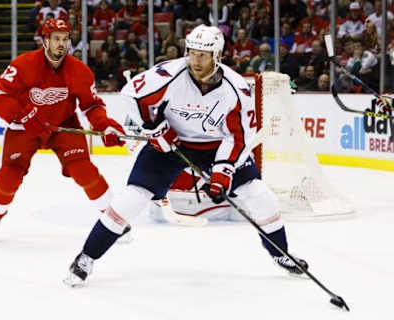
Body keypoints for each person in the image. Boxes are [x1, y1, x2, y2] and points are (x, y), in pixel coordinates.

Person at [64, 24, 309, 286]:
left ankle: (281, 253)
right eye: (191, 53)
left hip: (216, 147)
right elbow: (132, 96)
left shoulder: (237, 90)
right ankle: (86, 257)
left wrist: (222, 171)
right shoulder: (168, 74)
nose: (195, 60)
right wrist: (155, 128)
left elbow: (238, 137)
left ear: (218, 56)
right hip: (170, 146)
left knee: (260, 196)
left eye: (203, 55)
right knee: (130, 199)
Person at [0, 19, 127, 239]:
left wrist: (105, 125)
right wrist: (24, 115)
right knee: (9, 175)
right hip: (25, 127)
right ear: (45, 40)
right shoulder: (23, 64)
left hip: (64, 126)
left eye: (65, 39)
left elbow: (91, 105)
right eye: (56, 39)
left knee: (84, 171)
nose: (61, 44)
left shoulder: (79, 71)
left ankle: (114, 220)